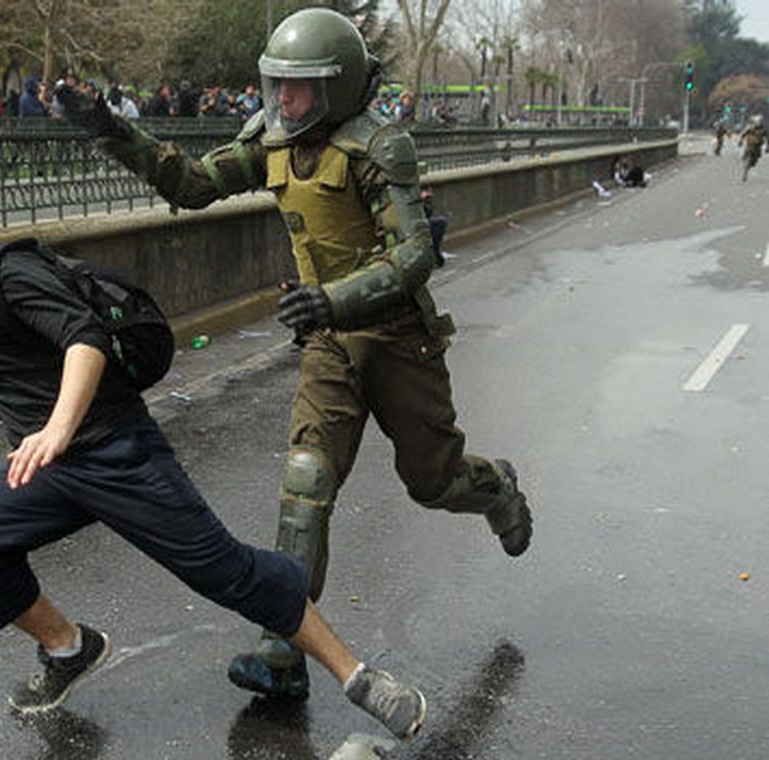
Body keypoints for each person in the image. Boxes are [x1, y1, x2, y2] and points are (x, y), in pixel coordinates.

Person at [59, 6, 533, 702]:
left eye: (300, 86)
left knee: (433, 482)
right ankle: (282, 647)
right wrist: (109, 127)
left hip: (397, 338)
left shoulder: (378, 148)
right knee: (307, 482)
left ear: (335, 87)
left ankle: (496, 488)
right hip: (329, 343)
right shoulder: (273, 140)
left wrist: (333, 299)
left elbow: (414, 253)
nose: (284, 99)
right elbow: (192, 185)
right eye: (277, 83)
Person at [0, 181, 427, 742]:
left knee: (227, 573)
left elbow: (86, 338)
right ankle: (68, 649)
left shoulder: (10, 274)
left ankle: (360, 679)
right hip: (52, 470)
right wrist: (43, 438)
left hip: (117, 455)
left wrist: (56, 429)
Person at [739, 114, 766, 182]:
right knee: (747, 157)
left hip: (758, 147)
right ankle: (745, 171)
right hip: (750, 145)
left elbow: (768, 138)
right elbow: (743, 134)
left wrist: (768, 146)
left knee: (754, 162)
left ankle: (747, 166)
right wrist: (740, 141)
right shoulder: (750, 128)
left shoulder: (763, 130)